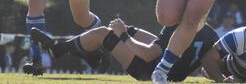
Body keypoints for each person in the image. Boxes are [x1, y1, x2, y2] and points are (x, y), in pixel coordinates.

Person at [31, 17, 218, 81]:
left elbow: (147, 55)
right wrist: (221, 78)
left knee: (104, 34)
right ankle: (91, 55)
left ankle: (60, 49)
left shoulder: (176, 25)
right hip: (173, 71)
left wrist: (124, 37)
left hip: (150, 70)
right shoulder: (210, 33)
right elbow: (210, 62)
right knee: (124, 30)